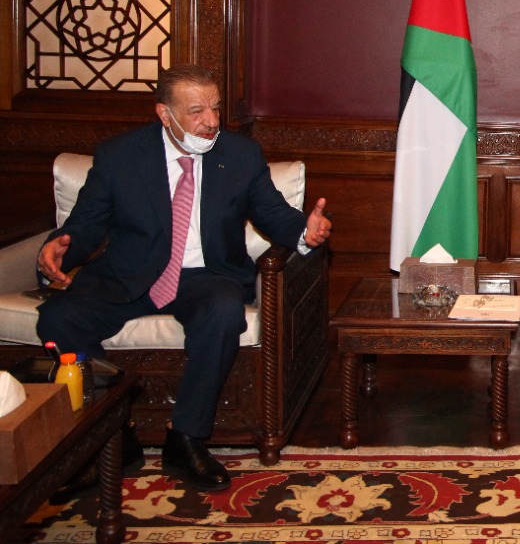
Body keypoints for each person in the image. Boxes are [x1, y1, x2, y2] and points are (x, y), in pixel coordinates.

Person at [35, 64, 333, 492]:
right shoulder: (120, 156)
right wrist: (61, 246)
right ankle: (113, 435)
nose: (211, 121)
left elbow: (273, 213)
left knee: (223, 312)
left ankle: (186, 438)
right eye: (196, 111)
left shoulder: (240, 154)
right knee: (59, 319)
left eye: (215, 108)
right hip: (131, 273)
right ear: (164, 113)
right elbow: (85, 224)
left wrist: (305, 230)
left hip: (205, 275)